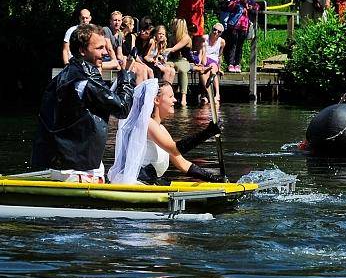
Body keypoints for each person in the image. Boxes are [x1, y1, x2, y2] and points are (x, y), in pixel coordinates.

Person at [32, 24, 135, 182]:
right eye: (99, 48)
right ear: (82, 50)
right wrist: (126, 78)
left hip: (61, 163)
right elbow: (122, 107)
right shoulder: (86, 80)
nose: (105, 53)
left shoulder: (64, 76)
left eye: (105, 47)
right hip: (76, 169)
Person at [109, 79, 223, 184]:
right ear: (157, 100)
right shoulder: (147, 123)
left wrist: (214, 179)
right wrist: (207, 132)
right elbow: (174, 148)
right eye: (170, 96)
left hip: (150, 182)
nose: (174, 100)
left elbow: (182, 163)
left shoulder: (161, 129)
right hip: (137, 183)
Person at [224, 0, 260, 73]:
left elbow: (257, 7)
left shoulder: (250, 1)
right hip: (234, 26)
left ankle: (237, 64)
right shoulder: (235, 0)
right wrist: (238, 0)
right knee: (232, 45)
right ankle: (230, 64)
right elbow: (229, 7)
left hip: (244, 27)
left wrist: (250, 6)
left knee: (240, 46)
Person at [165, 19, 193, 106]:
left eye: (174, 24)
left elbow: (174, 49)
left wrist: (164, 50)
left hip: (182, 60)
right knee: (165, 67)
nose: (172, 26)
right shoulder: (171, 36)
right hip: (172, 60)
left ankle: (183, 97)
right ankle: (167, 93)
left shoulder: (186, 38)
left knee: (182, 70)